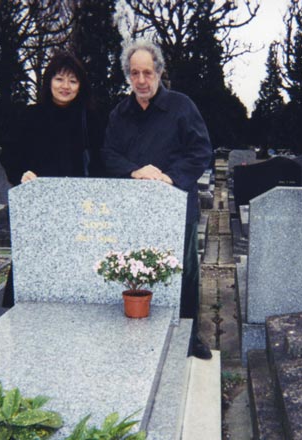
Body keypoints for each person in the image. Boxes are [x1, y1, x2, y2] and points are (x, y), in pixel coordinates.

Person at [101, 40, 213, 360]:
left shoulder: (181, 106)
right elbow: (108, 154)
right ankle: (137, 330)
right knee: (136, 268)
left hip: (176, 203)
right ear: (128, 75)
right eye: (134, 73)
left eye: (147, 73)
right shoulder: (120, 113)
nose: (141, 80)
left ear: (159, 72)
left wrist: (170, 177)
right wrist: (134, 171)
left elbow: (200, 151)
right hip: (135, 207)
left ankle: (189, 335)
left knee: (185, 272)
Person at [0, 51, 104, 307]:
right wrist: (21, 174)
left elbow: (102, 161)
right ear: (49, 82)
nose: (65, 86)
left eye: (73, 81)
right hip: (40, 208)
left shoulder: (91, 119)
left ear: (81, 86)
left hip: (80, 209)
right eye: (59, 79)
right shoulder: (29, 116)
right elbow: (9, 155)